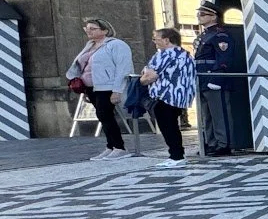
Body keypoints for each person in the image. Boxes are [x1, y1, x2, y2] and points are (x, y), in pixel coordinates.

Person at [65, 17, 131, 157]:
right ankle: (111, 146)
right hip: (91, 86)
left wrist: (117, 90)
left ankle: (119, 147)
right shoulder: (89, 45)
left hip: (107, 86)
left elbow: (123, 68)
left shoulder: (116, 45)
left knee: (105, 114)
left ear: (105, 30)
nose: (89, 31)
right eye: (87, 29)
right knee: (102, 116)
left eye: (93, 29)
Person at [193, 2, 251, 156]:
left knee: (220, 114)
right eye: (199, 14)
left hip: (214, 78)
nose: (199, 16)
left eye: (203, 14)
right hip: (203, 78)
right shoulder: (205, 34)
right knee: (208, 114)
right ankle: (212, 143)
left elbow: (224, 59)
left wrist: (216, 79)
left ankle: (224, 144)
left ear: (213, 17)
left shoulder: (220, 35)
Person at [139, 26, 196, 163]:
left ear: (166, 40)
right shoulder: (185, 54)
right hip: (179, 97)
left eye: (156, 39)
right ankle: (177, 154)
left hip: (164, 96)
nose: (154, 42)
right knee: (173, 126)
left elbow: (149, 77)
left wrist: (141, 80)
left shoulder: (165, 54)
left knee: (168, 127)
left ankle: (176, 156)